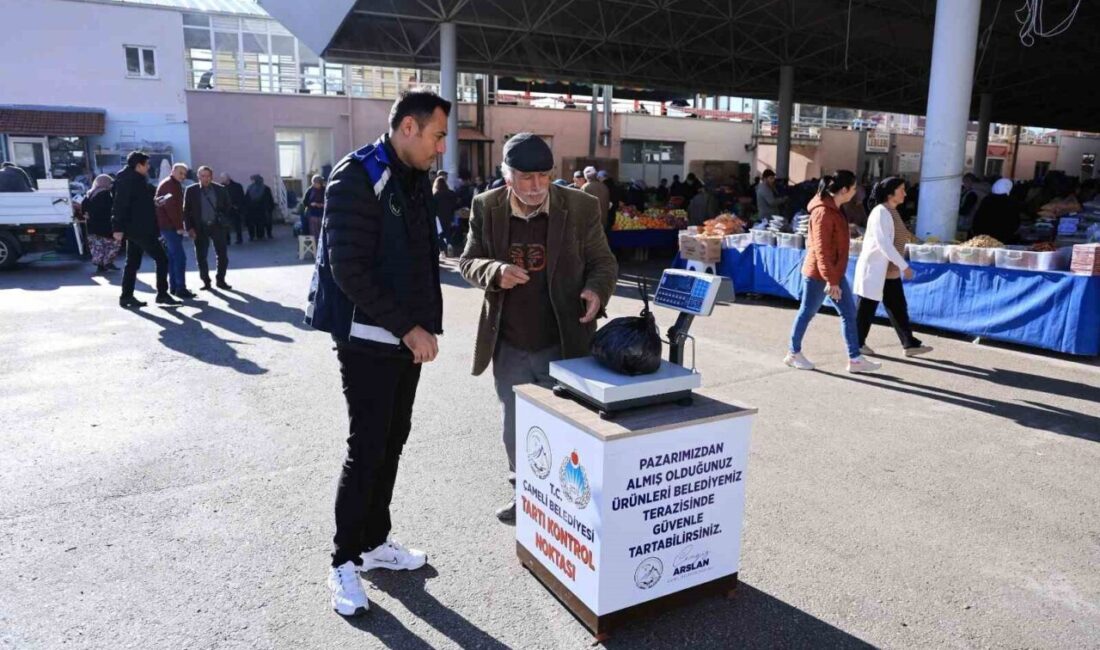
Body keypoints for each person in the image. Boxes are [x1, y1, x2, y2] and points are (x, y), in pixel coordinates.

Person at [306, 89, 449, 618]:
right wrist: (409, 327)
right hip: (367, 339)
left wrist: (421, 326)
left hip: (405, 339)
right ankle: (343, 560)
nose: (440, 148)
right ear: (407, 128)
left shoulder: (413, 178)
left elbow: (417, 257)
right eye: (436, 136)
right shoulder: (357, 175)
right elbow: (348, 268)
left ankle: (374, 543)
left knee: (393, 439)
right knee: (366, 445)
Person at [459, 133, 618, 523]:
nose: (535, 187)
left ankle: (569, 502)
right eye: (526, 178)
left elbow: (604, 262)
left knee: (568, 425)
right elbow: (468, 261)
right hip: (510, 341)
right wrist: (494, 271)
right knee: (517, 425)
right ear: (507, 176)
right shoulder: (486, 206)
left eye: (543, 177)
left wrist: (596, 291)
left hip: (562, 341)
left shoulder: (581, 207)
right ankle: (525, 493)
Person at [784, 171, 879, 373]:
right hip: (819, 273)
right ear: (844, 190)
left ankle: (855, 359)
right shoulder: (823, 212)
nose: (855, 192)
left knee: (848, 312)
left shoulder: (835, 208)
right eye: (854, 188)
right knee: (807, 312)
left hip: (832, 273)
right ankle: (793, 353)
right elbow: (821, 249)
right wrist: (831, 280)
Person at [853, 177, 932, 357]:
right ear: (890, 193)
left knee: (897, 305)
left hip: (888, 269)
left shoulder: (892, 211)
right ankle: (856, 344)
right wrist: (904, 266)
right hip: (876, 268)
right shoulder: (880, 212)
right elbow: (884, 244)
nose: (905, 193)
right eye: (901, 189)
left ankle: (909, 343)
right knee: (866, 307)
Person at [112, 151, 176, 307]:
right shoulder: (129, 180)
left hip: (136, 228)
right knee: (162, 259)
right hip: (140, 228)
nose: (148, 167)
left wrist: (155, 202)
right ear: (138, 165)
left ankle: (126, 296)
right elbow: (120, 205)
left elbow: (140, 202)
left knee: (132, 263)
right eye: (146, 164)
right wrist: (117, 228)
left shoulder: (134, 179)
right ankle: (162, 294)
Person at [183, 166, 233, 291]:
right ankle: (206, 281)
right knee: (201, 256)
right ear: (198, 177)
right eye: (203, 176)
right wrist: (189, 228)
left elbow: (228, 206)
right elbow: (186, 211)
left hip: (217, 226)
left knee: (222, 255)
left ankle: (221, 280)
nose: (205, 179)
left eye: (208, 176)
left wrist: (223, 218)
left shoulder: (220, 189)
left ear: (211, 176)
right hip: (200, 227)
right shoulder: (191, 190)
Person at [156, 163, 195, 299]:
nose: (183, 176)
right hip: (169, 227)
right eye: (180, 173)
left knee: (173, 258)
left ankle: (174, 287)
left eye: (185, 173)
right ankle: (180, 288)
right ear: (173, 171)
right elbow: (171, 208)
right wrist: (179, 226)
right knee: (179, 258)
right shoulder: (169, 185)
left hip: (168, 226)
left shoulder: (172, 184)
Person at [83, 174, 120, 274]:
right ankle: (108, 262)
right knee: (112, 244)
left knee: (98, 246)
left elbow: (84, 208)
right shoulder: (106, 194)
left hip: (92, 226)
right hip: (105, 225)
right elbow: (111, 209)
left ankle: (100, 265)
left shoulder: (89, 193)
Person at [970, 178, 1022, 244]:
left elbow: (978, 218)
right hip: (1002, 238)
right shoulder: (1010, 202)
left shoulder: (987, 199)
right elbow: (1014, 221)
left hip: (983, 237)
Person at [244, 174, 275, 240]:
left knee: (259, 223)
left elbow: (268, 199)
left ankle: (257, 235)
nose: (252, 181)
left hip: (259, 209)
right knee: (257, 223)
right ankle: (259, 235)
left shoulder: (251, 188)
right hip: (256, 209)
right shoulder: (264, 188)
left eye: (253, 180)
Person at [432, 174, 458, 253]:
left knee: (440, 233)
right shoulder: (451, 193)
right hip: (449, 215)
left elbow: (433, 206)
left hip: (439, 217)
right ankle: (449, 244)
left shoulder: (436, 195)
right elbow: (455, 204)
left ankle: (443, 249)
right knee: (448, 232)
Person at [219, 172, 246, 244]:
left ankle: (239, 238)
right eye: (221, 178)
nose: (222, 179)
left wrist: (238, 206)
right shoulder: (220, 187)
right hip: (225, 209)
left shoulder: (237, 186)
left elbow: (241, 197)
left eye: (223, 178)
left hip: (235, 208)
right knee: (225, 225)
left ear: (228, 178)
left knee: (237, 224)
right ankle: (227, 240)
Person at [303, 175, 327, 240]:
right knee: (314, 232)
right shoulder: (310, 190)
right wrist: (311, 204)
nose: (315, 184)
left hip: (322, 214)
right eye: (314, 183)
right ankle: (315, 246)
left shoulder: (325, 190)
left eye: (316, 183)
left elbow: (329, 200)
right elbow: (305, 202)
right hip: (312, 214)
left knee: (323, 231)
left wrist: (323, 205)